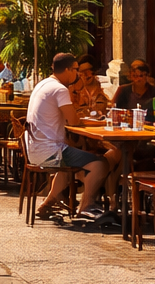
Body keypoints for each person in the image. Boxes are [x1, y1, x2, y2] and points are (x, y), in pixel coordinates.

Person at [26, 53, 110, 222]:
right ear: (68, 69)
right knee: (101, 163)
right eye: (76, 70)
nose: (78, 74)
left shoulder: (42, 84)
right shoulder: (60, 89)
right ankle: (86, 206)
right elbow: (73, 121)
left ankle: (47, 203)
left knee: (68, 164)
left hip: (35, 149)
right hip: (50, 151)